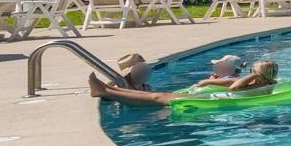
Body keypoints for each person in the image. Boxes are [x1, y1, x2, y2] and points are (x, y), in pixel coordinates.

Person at [90, 59, 278, 108]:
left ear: (259, 74)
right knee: (159, 95)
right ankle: (106, 90)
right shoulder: (263, 84)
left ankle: (106, 91)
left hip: (209, 102)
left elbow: (236, 88)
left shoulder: (260, 85)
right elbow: (232, 84)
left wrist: (250, 77)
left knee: (158, 97)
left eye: (253, 71)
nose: (250, 73)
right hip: (209, 98)